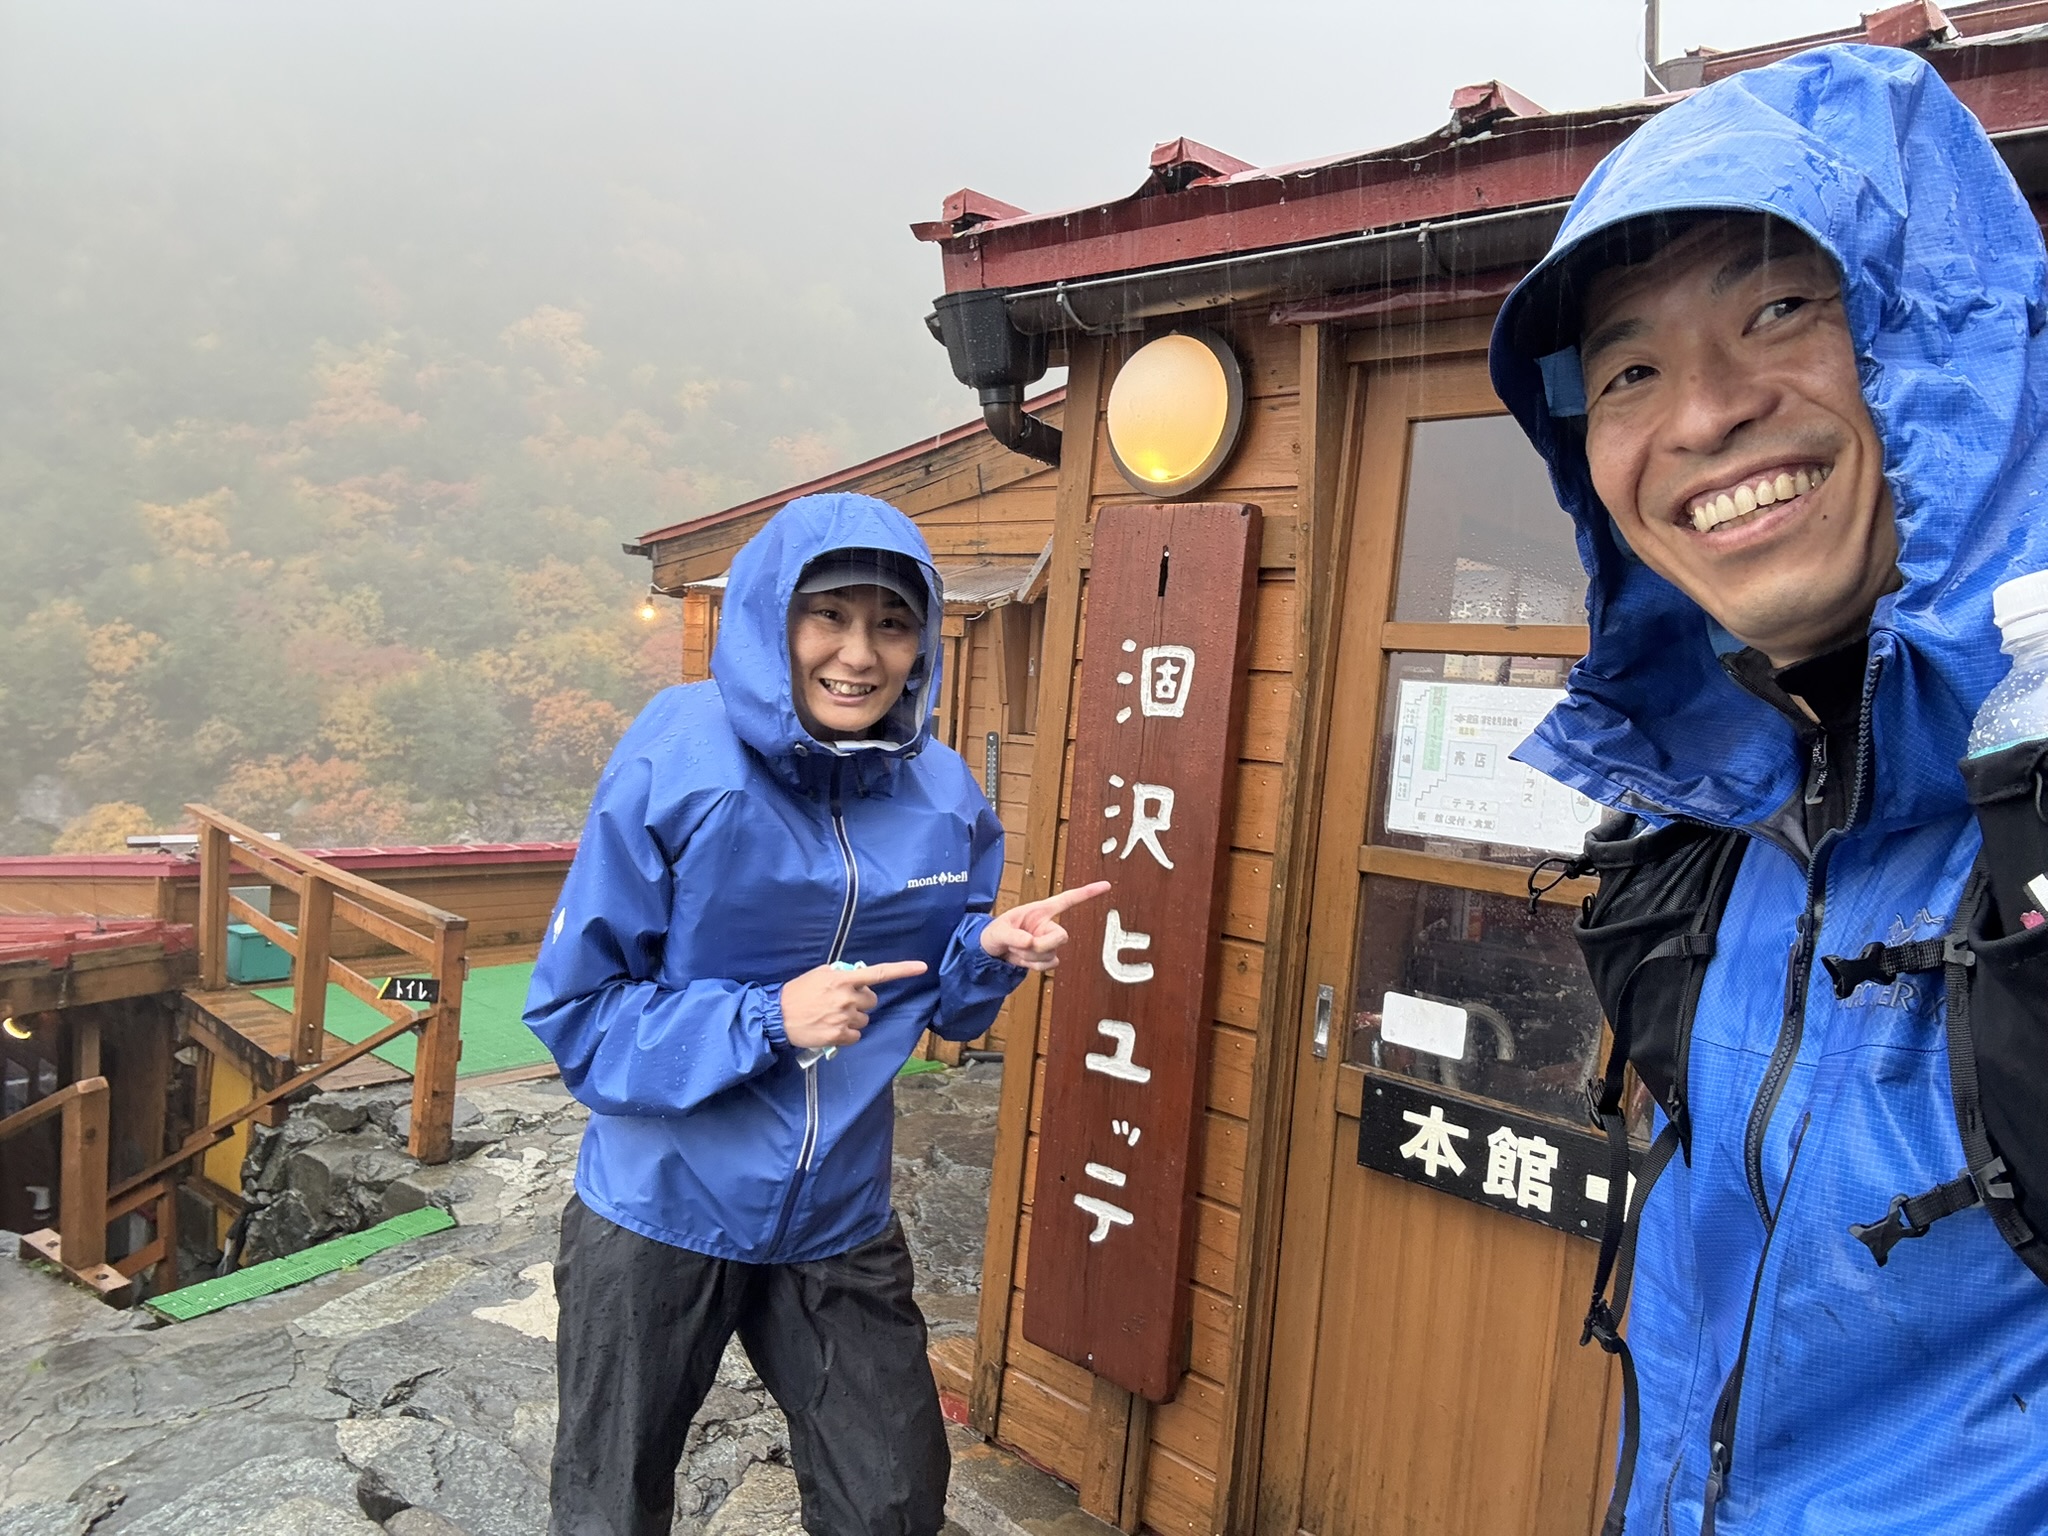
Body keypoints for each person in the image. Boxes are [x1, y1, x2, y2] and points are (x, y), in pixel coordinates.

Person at [1490, 45, 2048, 1532]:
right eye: (1627, 370)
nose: (1702, 417)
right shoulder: (1725, 816)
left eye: (1783, 308)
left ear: (1950, 336)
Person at [524, 491, 1106, 1536]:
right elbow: (580, 1015)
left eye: (891, 623)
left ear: (923, 642)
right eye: (827, 615)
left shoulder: (941, 793)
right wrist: (766, 1019)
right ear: (770, 620)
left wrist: (985, 954)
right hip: (661, 1204)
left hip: (837, 1211)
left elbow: (943, 1005)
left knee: (891, 1500)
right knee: (609, 1505)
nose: (859, 653)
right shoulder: (679, 759)